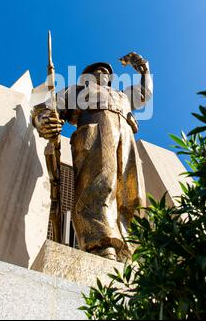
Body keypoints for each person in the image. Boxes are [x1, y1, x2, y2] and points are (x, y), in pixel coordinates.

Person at [32, 52, 153, 261]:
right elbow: (47, 109)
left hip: (125, 135)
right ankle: (101, 245)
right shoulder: (77, 91)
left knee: (132, 195)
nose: (103, 74)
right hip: (95, 130)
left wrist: (145, 70)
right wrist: (44, 121)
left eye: (107, 72)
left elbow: (144, 93)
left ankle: (132, 254)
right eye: (98, 71)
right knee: (98, 186)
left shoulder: (122, 95)